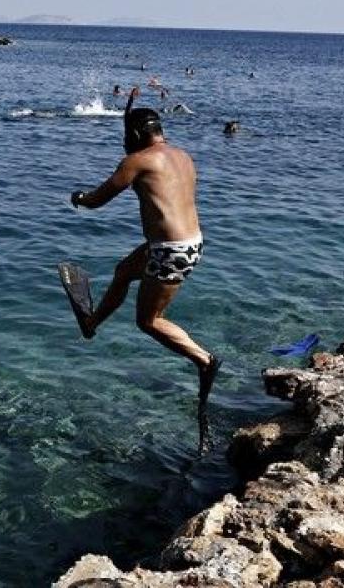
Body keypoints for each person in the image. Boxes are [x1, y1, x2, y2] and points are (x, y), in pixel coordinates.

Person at [69, 97, 221, 450]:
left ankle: (204, 360)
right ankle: (91, 324)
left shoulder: (136, 161)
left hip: (170, 251)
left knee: (149, 321)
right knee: (123, 271)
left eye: (127, 136)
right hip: (186, 242)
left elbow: (98, 198)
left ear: (136, 135)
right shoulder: (183, 156)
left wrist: (79, 197)